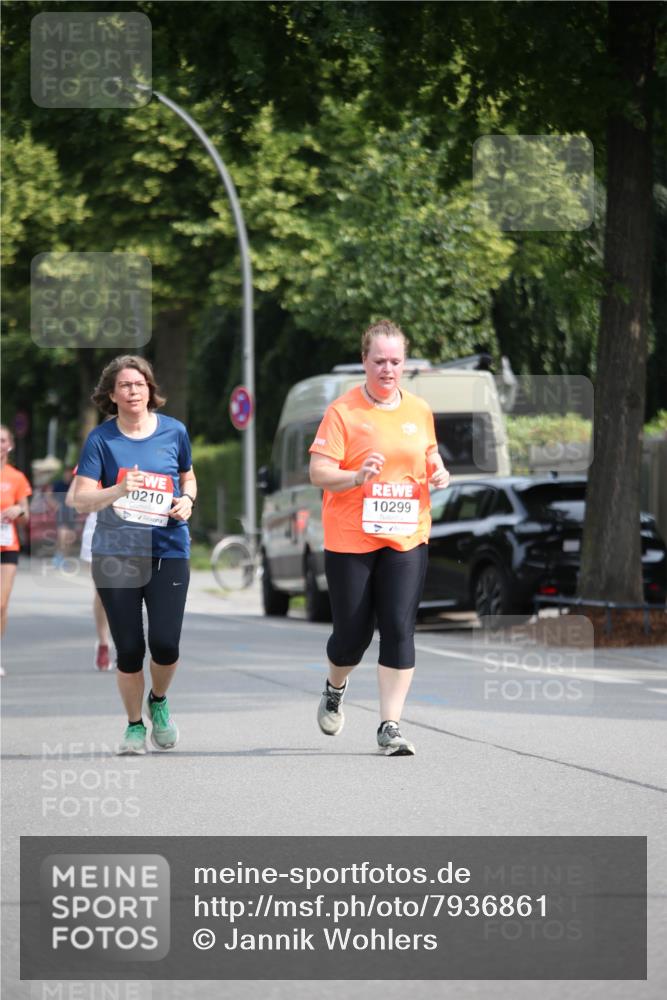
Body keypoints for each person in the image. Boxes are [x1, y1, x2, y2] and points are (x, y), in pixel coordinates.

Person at [309, 320, 450, 756]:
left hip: (407, 534)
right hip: (351, 538)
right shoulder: (343, 412)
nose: (388, 369)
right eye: (379, 361)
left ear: (404, 364)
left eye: (395, 361)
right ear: (364, 361)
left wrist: (438, 470)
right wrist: (356, 476)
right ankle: (335, 686)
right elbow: (318, 472)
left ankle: (390, 725)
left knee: (398, 627)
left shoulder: (419, 410)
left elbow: (428, 453)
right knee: (352, 636)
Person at [71, 356, 197, 755]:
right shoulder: (101, 440)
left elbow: (187, 475)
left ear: (150, 389)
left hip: (168, 549)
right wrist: (119, 490)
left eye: (139, 384)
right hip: (116, 553)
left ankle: (158, 700)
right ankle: (133, 725)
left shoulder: (174, 431)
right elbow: (80, 499)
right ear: (112, 394)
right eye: (124, 385)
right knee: (129, 649)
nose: (133, 391)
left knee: (165, 644)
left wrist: (188, 499)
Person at [65, 469, 113, 671]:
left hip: (132, 532)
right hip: (99, 531)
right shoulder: (93, 458)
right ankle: (103, 643)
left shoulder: (141, 455)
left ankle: (125, 644)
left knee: (129, 591)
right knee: (103, 593)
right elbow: (71, 499)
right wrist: (103, 498)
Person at [0, 425, 32, 676]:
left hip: (7, 545)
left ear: (9, 445)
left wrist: (18, 510)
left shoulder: (16, 477)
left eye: (2, 440)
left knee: (1, 604)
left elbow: (26, 514)